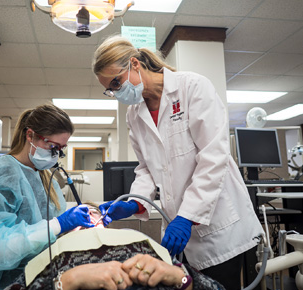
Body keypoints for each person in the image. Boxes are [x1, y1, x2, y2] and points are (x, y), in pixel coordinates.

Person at [92, 35, 264, 289]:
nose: (116, 92)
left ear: (135, 64)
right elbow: (147, 168)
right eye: (110, 89)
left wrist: (187, 217)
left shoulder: (192, 87)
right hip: (178, 233)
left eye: (116, 82)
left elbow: (213, 158)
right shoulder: (134, 114)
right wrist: (134, 202)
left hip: (218, 227)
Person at [0, 103, 94, 290]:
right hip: (1, 280)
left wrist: (87, 215)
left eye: (61, 148)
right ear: (30, 136)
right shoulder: (2, 175)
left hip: (40, 272)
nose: (56, 155)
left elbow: (47, 223)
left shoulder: (43, 176)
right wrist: (58, 225)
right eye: (52, 146)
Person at [5, 203, 225, 290]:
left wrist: (181, 278)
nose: (90, 221)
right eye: (81, 217)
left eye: (94, 215)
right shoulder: (55, 252)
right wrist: (66, 282)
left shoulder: (138, 242)